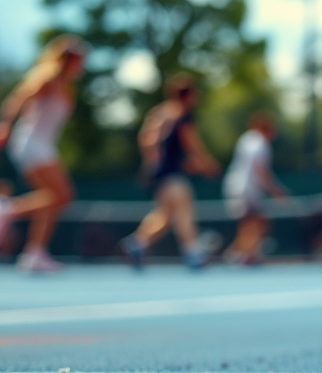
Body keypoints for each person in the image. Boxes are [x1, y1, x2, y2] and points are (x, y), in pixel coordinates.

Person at [0, 35, 86, 273]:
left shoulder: (67, 88)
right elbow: (18, 99)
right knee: (62, 196)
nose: (81, 65)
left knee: (51, 200)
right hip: (31, 143)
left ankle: (34, 254)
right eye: (78, 60)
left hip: (43, 145)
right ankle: (7, 211)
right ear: (69, 60)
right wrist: (4, 125)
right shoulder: (47, 79)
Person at [121, 74, 221, 270]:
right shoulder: (182, 114)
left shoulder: (160, 113)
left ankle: (136, 243)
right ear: (188, 95)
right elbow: (191, 143)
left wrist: (152, 162)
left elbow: (146, 140)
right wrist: (208, 164)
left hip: (161, 174)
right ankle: (193, 252)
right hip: (172, 174)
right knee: (184, 207)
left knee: (165, 215)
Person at [222, 112, 289, 266]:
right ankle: (241, 255)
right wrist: (275, 191)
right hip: (246, 189)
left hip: (237, 186)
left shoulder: (247, 138)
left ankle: (243, 255)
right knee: (256, 222)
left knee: (251, 223)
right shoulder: (259, 142)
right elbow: (259, 169)